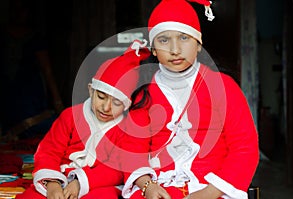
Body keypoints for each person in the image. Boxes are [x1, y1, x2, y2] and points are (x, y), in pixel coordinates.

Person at [120, 0, 260, 199]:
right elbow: (132, 149)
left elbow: (244, 148)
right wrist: (147, 186)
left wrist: (208, 193)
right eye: (164, 40)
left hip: (213, 188)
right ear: (152, 49)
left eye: (184, 38)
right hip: (157, 187)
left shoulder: (223, 87)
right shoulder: (145, 93)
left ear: (199, 44)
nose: (175, 49)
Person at [15, 40, 151, 199]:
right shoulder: (70, 116)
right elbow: (48, 151)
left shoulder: (126, 127)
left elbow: (118, 168)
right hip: (61, 178)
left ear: (127, 105)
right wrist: (52, 183)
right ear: (91, 90)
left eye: (116, 102)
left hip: (99, 183)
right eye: (101, 97)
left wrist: (81, 183)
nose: (106, 107)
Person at [0, 0, 64, 140]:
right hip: (7, 92)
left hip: (29, 95)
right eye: (15, 9)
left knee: (47, 126)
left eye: (22, 9)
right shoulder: (3, 34)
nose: (18, 13)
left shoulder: (34, 37)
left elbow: (47, 70)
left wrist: (57, 101)